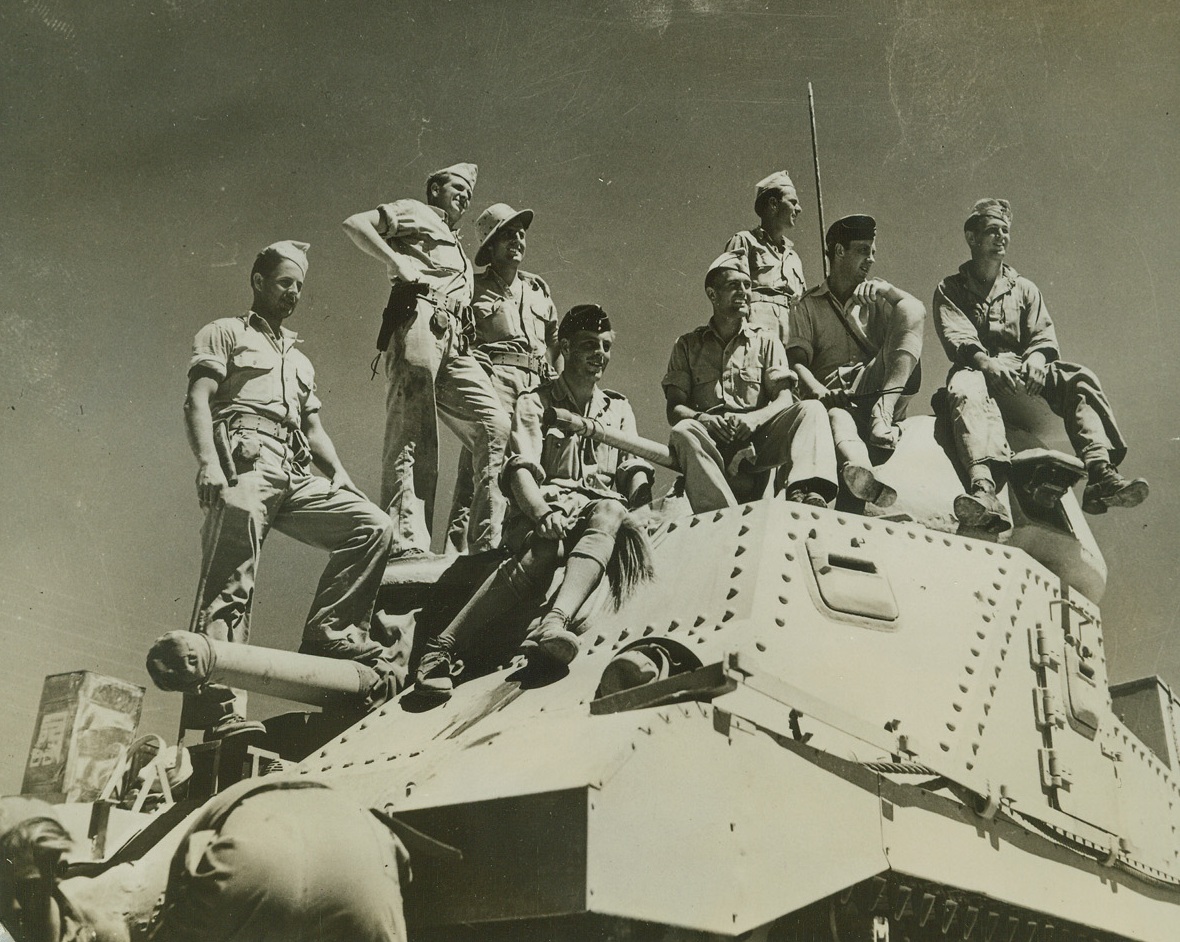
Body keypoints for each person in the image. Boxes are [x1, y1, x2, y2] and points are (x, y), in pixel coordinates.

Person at [183, 241, 395, 737]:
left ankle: (330, 634)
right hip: (244, 460)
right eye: (285, 282)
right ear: (259, 281)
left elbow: (314, 427)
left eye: (299, 285)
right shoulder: (226, 332)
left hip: (295, 467)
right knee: (232, 583)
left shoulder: (300, 360)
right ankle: (220, 708)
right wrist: (208, 464)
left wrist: (339, 472)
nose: (294, 293)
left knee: (372, 525)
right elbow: (197, 400)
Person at [415, 305, 655, 698]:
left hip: (596, 512)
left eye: (606, 346)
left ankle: (553, 623)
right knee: (546, 549)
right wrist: (542, 513)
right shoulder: (535, 401)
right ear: (564, 348)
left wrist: (643, 503)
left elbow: (633, 468)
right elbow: (520, 470)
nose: (600, 355)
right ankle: (441, 647)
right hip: (544, 510)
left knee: (612, 509)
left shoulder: (618, 408)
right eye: (589, 346)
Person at [933, 198, 1149, 532]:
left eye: (1005, 231)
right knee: (965, 386)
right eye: (992, 231)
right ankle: (984, 488)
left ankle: (1101, 473)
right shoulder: (951, 288)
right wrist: (986, 364)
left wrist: (1036, 358)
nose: (1001, 238)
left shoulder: (1025, 289)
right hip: (979, 370)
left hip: (1021, 371)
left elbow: (1042, 335)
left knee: (1079, 378)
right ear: (972, 238)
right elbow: (957, 335)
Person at [342, 163, 510, 556]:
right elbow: (355, 224)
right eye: (457, 187)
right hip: (421, 318)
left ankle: (487, 542)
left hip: (457, 338)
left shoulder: (458, 247)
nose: (464, 197)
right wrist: (394, 260)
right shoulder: (415, 211)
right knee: (413, 427)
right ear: (434, 189)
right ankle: (406, 540)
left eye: (469, 193)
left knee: (495, 424)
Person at [663, 251, 838, 512]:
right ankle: (721, 510)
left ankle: (808, 491)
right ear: (713, 295)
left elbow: (784, 397)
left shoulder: (766, 340)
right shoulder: (687, 345)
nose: (744, 292)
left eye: (747, 285)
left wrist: (754, 419)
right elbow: (674, 408)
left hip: (758, 439)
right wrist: (704, 420)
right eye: (734, 285)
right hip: (711, 442)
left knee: (811, 409)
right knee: (682, 431)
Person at [151, 778, 408, 942]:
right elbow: (402, 868)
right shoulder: (343, 800)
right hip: (363, 851)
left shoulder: (223, 805)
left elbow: (180, 888)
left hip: (255, 852)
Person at [444, 203, 560, 553]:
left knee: (533, 462)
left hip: (537, 386)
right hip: (494, 378)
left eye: (520, 234)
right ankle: (478, 548)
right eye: (507, 235)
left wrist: (554, 375)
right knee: (489, 463)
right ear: (489, 247)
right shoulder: (471, 288)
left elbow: (555, 337)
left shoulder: (538, 289)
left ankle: (514, 539)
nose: (517, 240)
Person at [788, 214, 925, 507]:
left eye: (873, 252)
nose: (871, 259)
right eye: (863, 250)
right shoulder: (807, 306)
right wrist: (818, 392)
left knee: (912, 309)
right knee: (838, 418)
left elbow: (914, 314)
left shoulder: (878, 299)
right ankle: (862, 475)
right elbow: (797, 361)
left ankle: (883, 413)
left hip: (876, 390)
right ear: (840, 252)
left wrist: (888, 291)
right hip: (836, 397)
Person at [723, 170, 807, 345]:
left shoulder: (794, 257)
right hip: (756, 326)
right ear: (773, 204)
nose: (799, 209)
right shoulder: (744, 241)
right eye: (793, 202)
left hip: (793, 331)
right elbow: (727, 292)